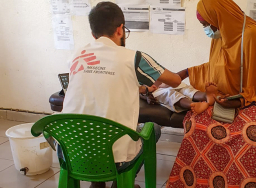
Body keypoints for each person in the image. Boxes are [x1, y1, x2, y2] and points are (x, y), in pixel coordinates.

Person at [61, 2, 181, 188]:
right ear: (120, 30)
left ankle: (97, 184)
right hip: (115, 156)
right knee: (153, 129)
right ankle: (121, 183)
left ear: (93, 34)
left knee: (93, 128)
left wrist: (138, 88)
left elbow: (98, 82)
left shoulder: (75, 56)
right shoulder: (134, 58)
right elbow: (175, 81)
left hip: (71, 150)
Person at [166, 0, 256, 187]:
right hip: (223, 96)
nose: (207, 29)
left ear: (219, 17)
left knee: (249, 134)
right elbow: (218, 67)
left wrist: (238, 102)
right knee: (195, 125)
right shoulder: (221, 34)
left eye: (207, 24)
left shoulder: (252, 35)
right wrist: (186, 72)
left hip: (252, 99)